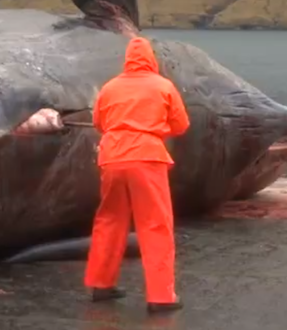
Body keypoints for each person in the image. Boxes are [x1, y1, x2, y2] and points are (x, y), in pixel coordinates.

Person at [84, 36, 190, 314]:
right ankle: (161, 297)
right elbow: (181, 124)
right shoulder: (163, 86)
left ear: (127, 60)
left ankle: (101, 284)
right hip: (146, 157)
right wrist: (155, 129)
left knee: (109, 220)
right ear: (151, 59)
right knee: (155, 224)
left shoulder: (109, 87)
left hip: (112, 158)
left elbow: (98, 123)